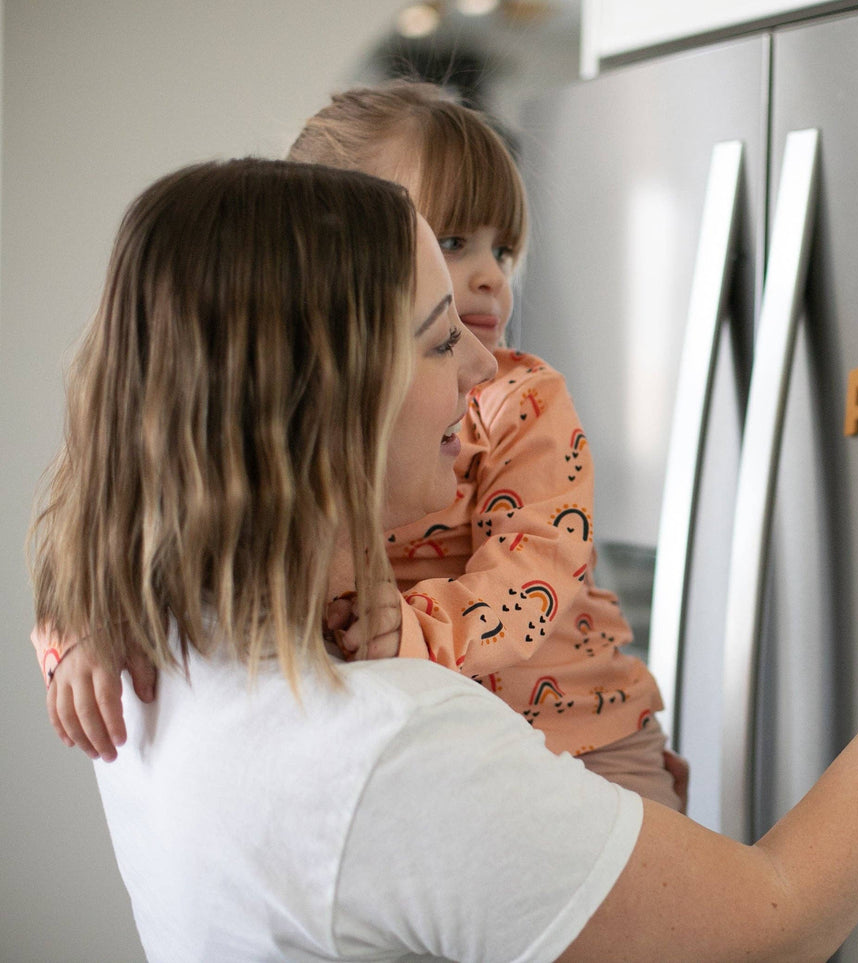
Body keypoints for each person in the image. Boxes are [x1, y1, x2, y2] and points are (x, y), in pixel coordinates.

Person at [30, 157, 858, 960]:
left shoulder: (143, 654)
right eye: (437, 339)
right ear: (325, 407)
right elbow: (781, 921)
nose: (485, 369)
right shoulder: (383, 750)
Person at [36, 81, 683, 809]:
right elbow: (128, 517)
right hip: (451, 755)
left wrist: (416, 628)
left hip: (587, 738)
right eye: (451, 242)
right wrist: (83, 632)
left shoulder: (523, 400)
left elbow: (536, 566)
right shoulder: (283, 430)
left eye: (504, 250)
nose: (490, 277)